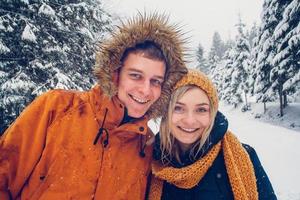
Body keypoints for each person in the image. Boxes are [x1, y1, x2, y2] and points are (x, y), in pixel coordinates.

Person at [0, 13, 188, 199]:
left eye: (156, 81)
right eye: (136, 76)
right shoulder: (57, 108)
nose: (146, 90)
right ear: (115, 74)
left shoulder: (146, 145)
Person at [147, 69, 277, 200]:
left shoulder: (244, 156)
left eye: (201, 109)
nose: (190, 120)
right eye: (178, 108)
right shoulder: (148, 159)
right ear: (165, 113)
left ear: (212, 114)